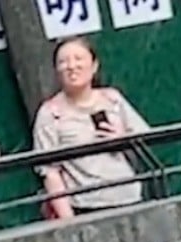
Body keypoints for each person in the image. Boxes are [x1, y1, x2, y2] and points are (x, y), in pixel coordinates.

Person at [33, 36, 151, 220]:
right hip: (86, 205)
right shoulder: (50, 113)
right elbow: (50, 173)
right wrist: (69, 221)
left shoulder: (113, 100)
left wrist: (123, 138)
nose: (72, 66)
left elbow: (146, 137)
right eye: (63, 62)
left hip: (129, 196)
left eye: (78, 59)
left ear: (94, 65)